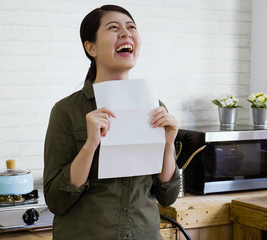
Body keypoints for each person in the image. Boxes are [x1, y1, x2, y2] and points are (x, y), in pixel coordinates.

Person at [43, 5, 180, 240]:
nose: (126, 34)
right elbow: (56, 200)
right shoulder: (66, 110)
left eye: (131, 27)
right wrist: (90, 145)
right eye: (114, 28)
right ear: (91, 47)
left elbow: (167, 197)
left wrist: (168, 145)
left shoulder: (156, 107)